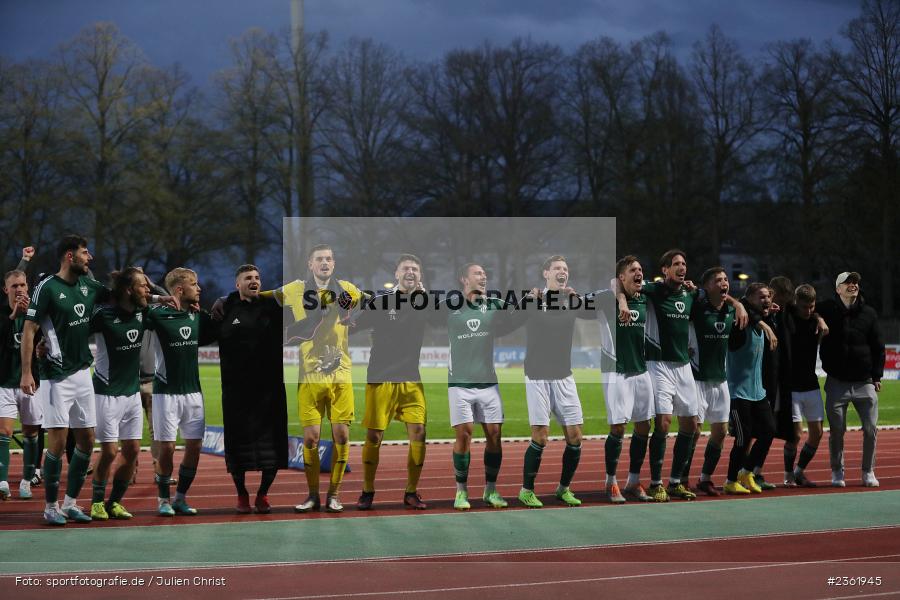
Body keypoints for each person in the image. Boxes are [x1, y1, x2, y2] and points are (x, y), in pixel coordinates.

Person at [620, 249, 747, 501]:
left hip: (684, 366)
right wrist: (623, 301)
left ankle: (675, 481)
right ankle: (656, 482)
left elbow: (717, 293)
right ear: (665, 270)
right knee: (664, 423)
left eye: (684, 263)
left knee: (690, 424)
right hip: (658, 365)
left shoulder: (691, 293)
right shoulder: (654, 289)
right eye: (676, 264)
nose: (682, 267)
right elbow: (618, 283)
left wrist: (738, 304)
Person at [264, 245, 362, 513]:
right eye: (319, 259)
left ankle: (334, 495)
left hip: (340, 374)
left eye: (329, 258)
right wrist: (231, 298)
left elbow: (369, 301)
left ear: (334, 262)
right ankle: (313, 496)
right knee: (311, 439)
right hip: (309, 375)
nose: (325, 263)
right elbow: (262, 298)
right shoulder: (296, 289)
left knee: (341, 435)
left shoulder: (346, 289)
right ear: (310, 264)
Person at [21, 235, 108, 525]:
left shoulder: (88, 285)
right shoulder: (47, 287)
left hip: (84, 372)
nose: (90, 257)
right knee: (57, 444)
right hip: (56, 376)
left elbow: (121, 295)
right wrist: (26, 372)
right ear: (70, 256)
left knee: (87, 439)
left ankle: (70, 503)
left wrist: (161, 297)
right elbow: (30, 330)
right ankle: (50, 506)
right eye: (85, 252)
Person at [350, 254, 430, 511]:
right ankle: (367, 490)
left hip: (411, 379)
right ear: (396, 274)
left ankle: (411, 491)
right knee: (374, 435)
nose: (410, 272)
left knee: (419, 432)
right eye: (406, 268)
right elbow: (353, 324)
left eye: (415, 269)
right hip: (381, 377)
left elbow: (449, 318)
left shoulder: (425, 303)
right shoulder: (381, 301)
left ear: (420, 276)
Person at [448, 263, 526, 510]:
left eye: (485, 274)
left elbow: (518, 314)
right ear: (464, 279)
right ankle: (461, 491)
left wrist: (532, 300)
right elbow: (420, 316)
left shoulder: (495, 305)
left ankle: (490, 490)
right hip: (459, 383)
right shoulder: (449, 307)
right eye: (477, 274)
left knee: (494, 435)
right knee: (464, 434)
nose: (483, 277)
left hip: (488, 384)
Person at [519, 256, 594, 508]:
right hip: (537, 375)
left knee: (575, 436)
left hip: (564, 375)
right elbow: (511, 318)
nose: (563, 272)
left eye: (565, 269)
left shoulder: (570, 300)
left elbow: (591, 313)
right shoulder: (534, 300)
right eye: (557, 268)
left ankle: (563, 489)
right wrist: (526, 299)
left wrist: (577, 297)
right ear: (545, 273)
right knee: (540, 437)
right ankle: (526, 490)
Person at [144, 267, 218, 516]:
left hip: (193, 393)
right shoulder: (157, 316)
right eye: (194, 284)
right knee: (166, 449)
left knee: (195, 447)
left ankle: (180, 498)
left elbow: (221, 326)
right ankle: (163, 499)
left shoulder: (198, 316)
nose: (199, 288)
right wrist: (154, 290)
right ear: (179, 289)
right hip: (166, 394)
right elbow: (133, 306)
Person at [217, 265, 288, 514]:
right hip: (236, 393)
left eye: (258, 277)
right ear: (237, 284)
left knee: (273, 448)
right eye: (248, 278)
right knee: (238, 448)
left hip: (270, 391)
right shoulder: (225, 309)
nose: (254, 281)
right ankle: (242, 494)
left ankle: (263, 493)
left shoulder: (273, 307)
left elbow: (300, 314)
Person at [88, 268, 157, 520]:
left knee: (133, 450)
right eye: (142, 285)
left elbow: (165, 298)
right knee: (108, 452)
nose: (147, 290)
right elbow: (72, 333)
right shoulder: (103, 316)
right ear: (128, 290)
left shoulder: (143, 313)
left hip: (131, 394)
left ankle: (114, 501)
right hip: (106, 392)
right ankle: (96, 501)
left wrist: (148, 282)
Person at [817, 272, 884, 488]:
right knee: (837, 431)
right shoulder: (826, 309)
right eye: (847, 282)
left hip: (865, 382)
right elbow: (805, 310)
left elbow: (878, 346)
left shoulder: (869, 313)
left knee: (870, 429)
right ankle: (837, 471)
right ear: (837, 289)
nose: (853, 285)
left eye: (855, 282)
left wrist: (877, 375)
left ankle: (868, 471)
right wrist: (818, 318)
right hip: (837, 382)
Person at [599, 256, 655, 503]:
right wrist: (620, 298)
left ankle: (633, 480)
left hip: (641, 371)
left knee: (644, 426)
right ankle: (611, 481)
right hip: (615, 371)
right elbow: (610, 284)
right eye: (633, 270)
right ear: (622, 277)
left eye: (641, 269)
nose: (639, 273)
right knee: (618, 428)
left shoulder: (644, 296)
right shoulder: (606, 298)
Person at [683, 267, 737, 496]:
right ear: (707, 287)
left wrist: (743, 306)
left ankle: (705, 478)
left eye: (726, 280)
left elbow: (751, 311)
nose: (724, 283)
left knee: (721, 431)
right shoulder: (696, 307)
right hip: (697, 379)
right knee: (694, 431)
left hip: (720, 381)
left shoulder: (732, 309)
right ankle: (681, 478)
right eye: (718, 280)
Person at [724, 283, 777, 495]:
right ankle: (730, 480)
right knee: (743, 438)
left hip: (758, 392)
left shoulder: (760, 323)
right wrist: (745, 309)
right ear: (749, 300)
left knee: (769, 431)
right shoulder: (741, 322)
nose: (767, 300)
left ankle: (746, 472)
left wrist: (765, 320)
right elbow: (734, 304)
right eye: (761, 297)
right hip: (738, 392)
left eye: (768, 297)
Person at [0, 258, 43, 500]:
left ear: (28, 288)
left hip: (31, 383)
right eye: (14, 286)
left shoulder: (36, 314)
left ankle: (26, 480)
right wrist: (12, 316)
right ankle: (3, 481)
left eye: (23, 285)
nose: (19, 290)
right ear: (6, 290)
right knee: (4, 432)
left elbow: (47, 339)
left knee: (30, 433)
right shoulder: (2, 314)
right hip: (4, 382)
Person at [782, 284, 828, 487]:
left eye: (811, 307)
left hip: (811, 384)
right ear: (795, 303)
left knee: (817, 433)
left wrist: (819, 317)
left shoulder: (815, 321)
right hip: (791, 387)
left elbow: (818, 313)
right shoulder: (787, 317)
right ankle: (788, 475)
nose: (808, 311)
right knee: (795, 435)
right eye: (804, 307)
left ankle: (799, 471)